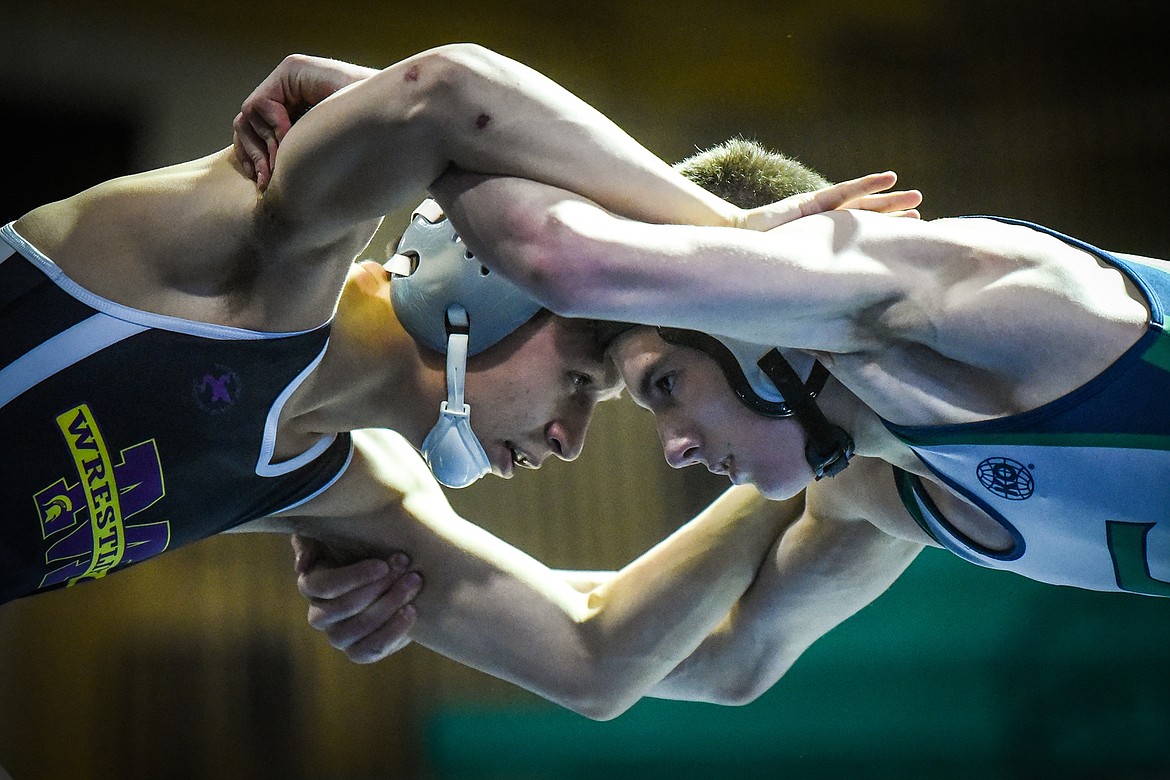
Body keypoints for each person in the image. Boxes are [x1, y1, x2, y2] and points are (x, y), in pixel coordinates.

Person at [1, 45, 919, 717]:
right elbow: (444, 93)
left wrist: (829, 442)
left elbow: (598, 657)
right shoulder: (255, 255)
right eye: (581, 384)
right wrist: (723, 240)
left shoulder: (344, 488)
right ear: (489, 280)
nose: (569, 439)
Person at [304, 134, 1169, 707]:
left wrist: (410, 123)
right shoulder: (880, 489)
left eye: (667, 385)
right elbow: (712, 658)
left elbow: (562, 248)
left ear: (755, 316)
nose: (675, 449)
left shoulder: (996, 295)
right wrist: (414, 580)